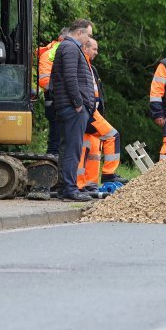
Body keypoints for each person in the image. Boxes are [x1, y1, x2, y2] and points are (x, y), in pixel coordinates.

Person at [50, 18, 96, 201]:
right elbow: (70, 77)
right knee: (72, 148)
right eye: (89, 35)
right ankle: (70, 189)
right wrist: (78, 103)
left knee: (66, 147)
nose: (89, 40)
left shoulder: (67, 47)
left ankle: (64, 187)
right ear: (80, 32)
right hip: (73, 108)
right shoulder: (70, 48)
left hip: (68, 106)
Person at [76, 37, 125, 190]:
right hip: (88, 112)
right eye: (94, 49)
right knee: (112, 135)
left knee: (88, 150)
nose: (96, 52)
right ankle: (109, 173)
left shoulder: (90, 67)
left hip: (90, 111)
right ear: (85, 49)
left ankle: (87, 184)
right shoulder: (82, 65)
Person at [37, 27, 69, 155]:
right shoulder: (49, 55)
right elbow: (44, 81)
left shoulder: (57, 53)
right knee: (56, 137)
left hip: (58, 100)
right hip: (54, 101)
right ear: (61, 39)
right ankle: (52, 163)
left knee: (59, 136)